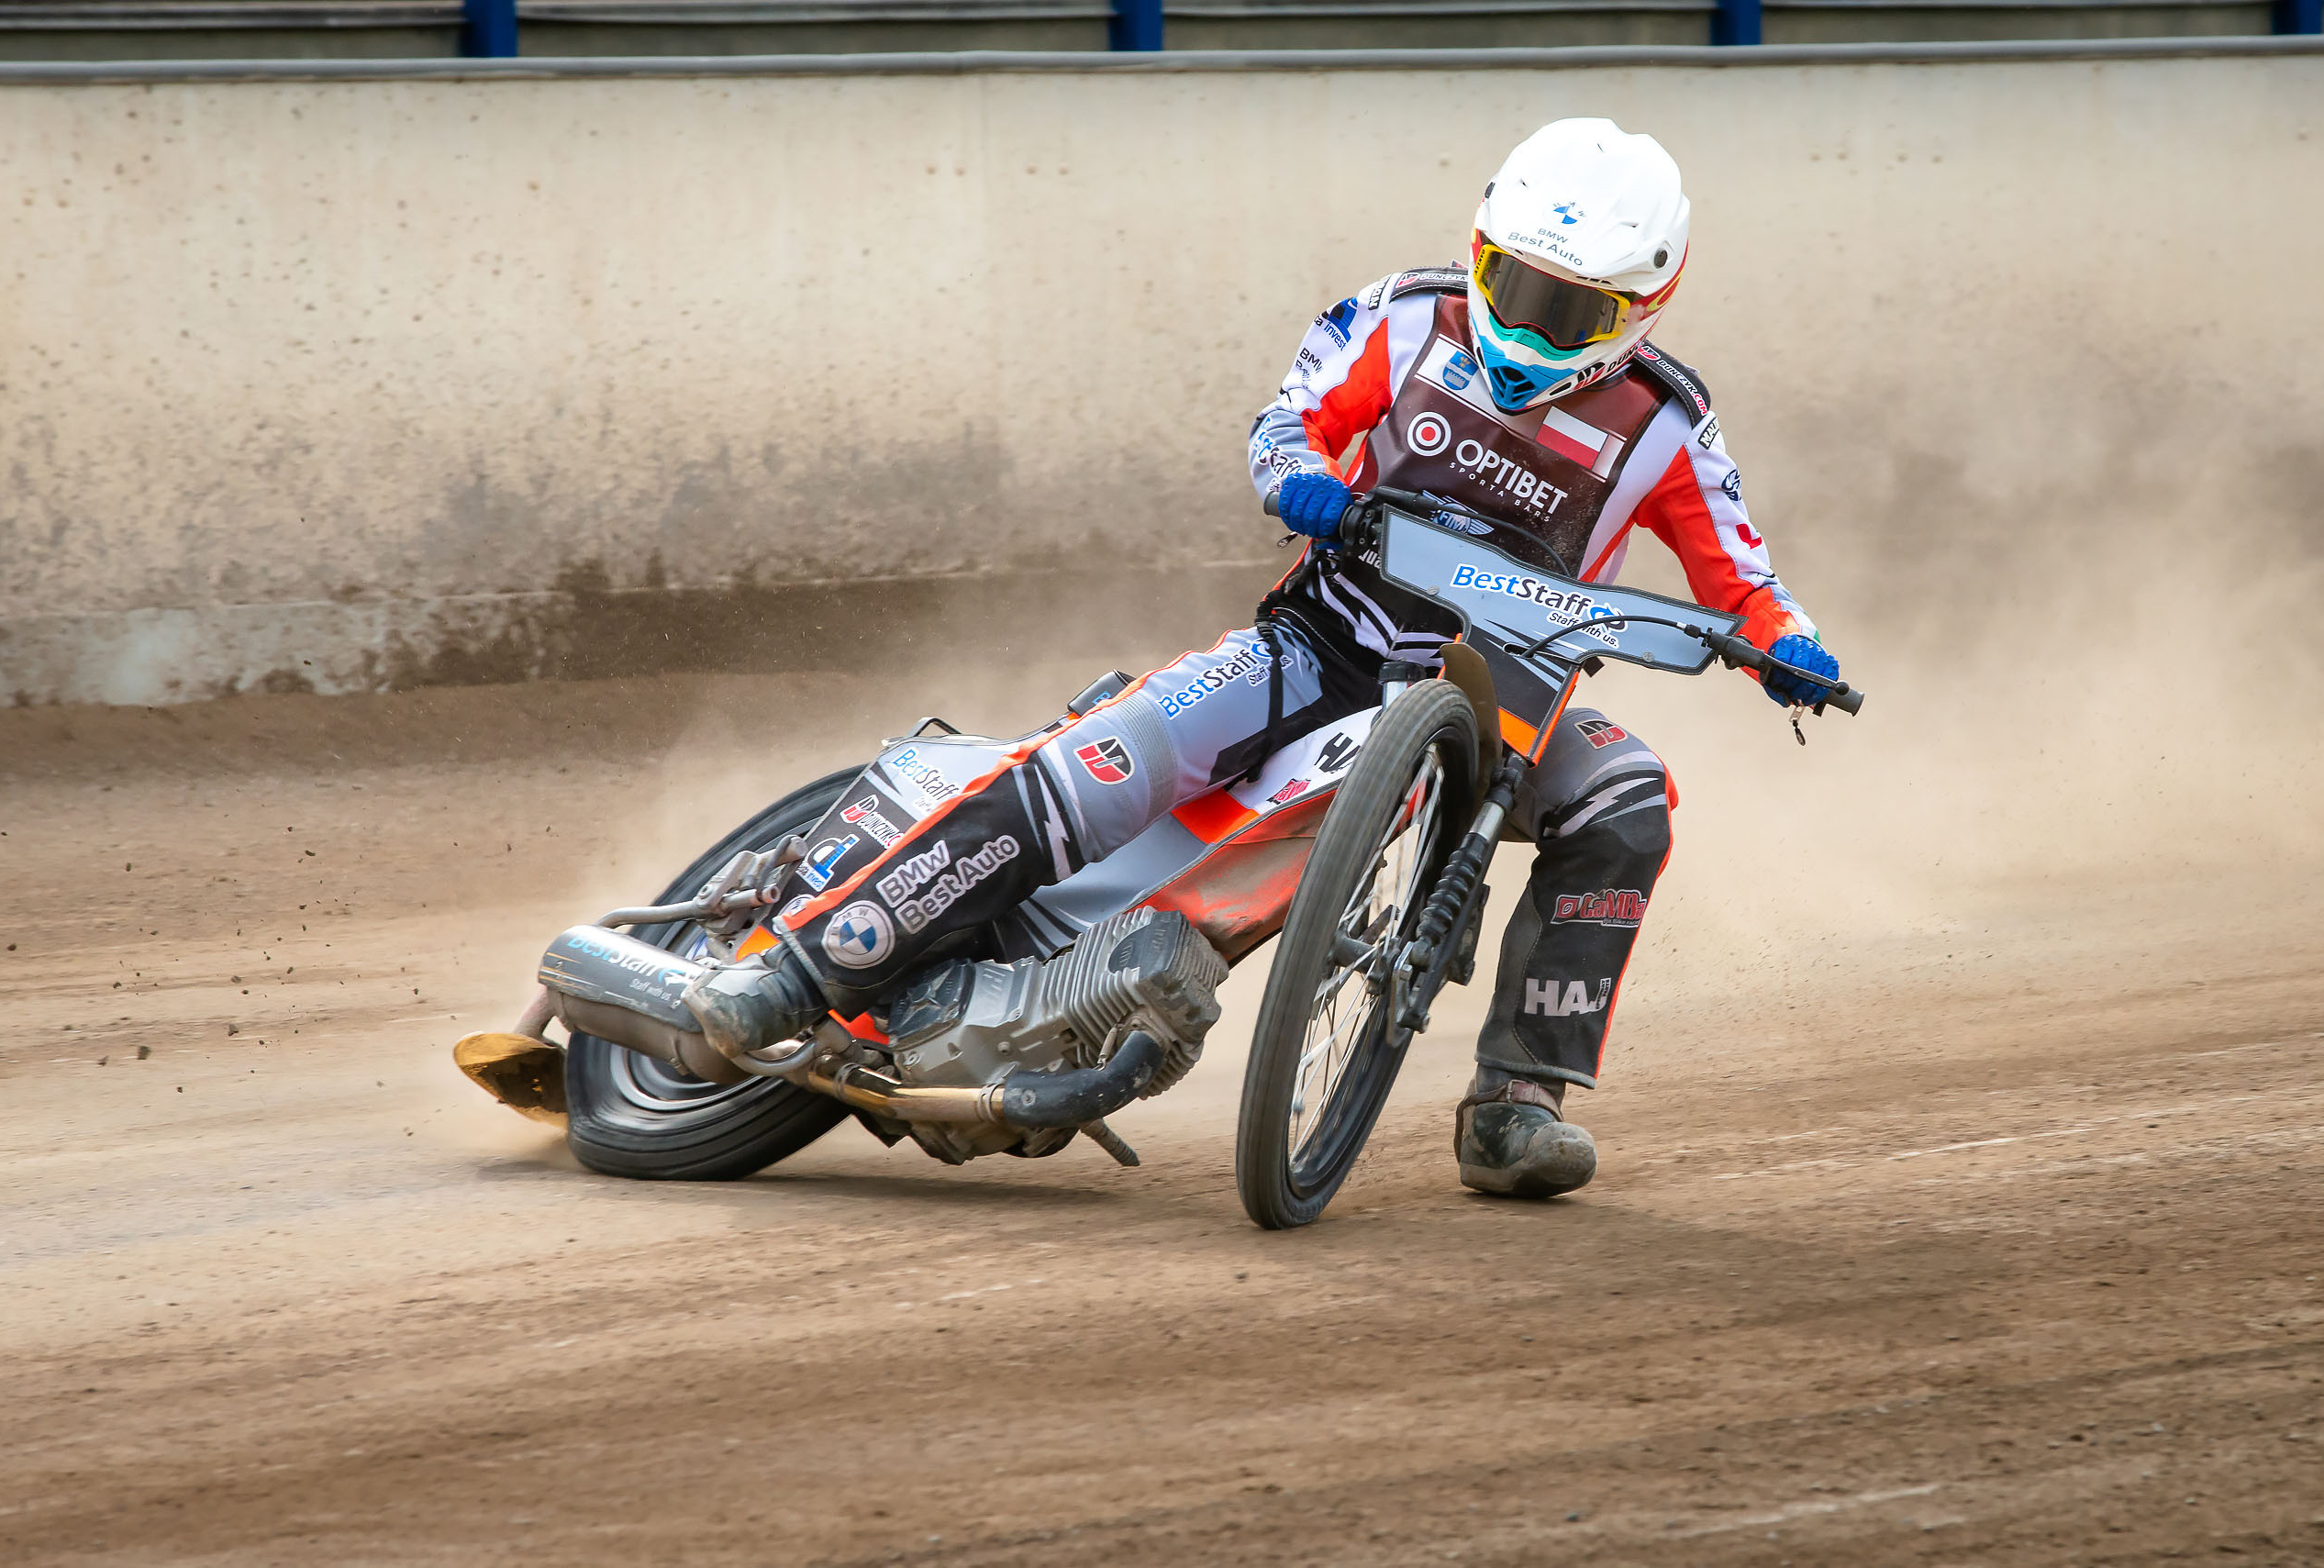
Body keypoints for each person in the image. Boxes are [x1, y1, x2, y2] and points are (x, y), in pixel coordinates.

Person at [693, 117, 1844, 1201]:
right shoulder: (1400, 318)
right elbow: (1284, 422)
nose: (1530, 328)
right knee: (1117, 752)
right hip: (1317, 645)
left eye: (1571, 311)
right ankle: (803, 963)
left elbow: (1741, 577)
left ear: (1644, 306)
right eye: (1514, 286)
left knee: (1628, 799)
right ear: (1481, 249)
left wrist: (1786, 648)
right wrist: (1301, 480)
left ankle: (1514, 1103)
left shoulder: (1668, 427)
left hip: (1505, 710)